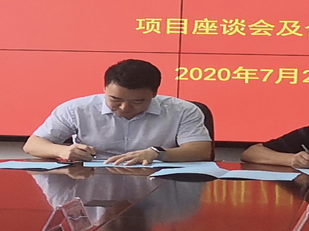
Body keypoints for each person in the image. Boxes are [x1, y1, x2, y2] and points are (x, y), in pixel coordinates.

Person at [23, 59, 212, 165]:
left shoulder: (182, 110)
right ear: (105, 88)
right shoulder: (76, 109)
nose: (124, 108)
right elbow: (33, 145)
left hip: (158, 182)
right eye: (115, 99)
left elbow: (201, 150)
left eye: (137, 101)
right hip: (90, 182)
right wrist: (62, 150)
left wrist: (157, 154)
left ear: (154, 93)